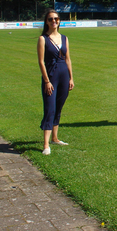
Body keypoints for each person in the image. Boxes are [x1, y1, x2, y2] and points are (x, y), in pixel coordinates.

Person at [37, 9, 74, 156]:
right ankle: (46, 144)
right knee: (50, 108)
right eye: (51, 19)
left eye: (56, 19)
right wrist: (46, 81)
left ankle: (55, 138)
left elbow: (68, 59)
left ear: (59, 21)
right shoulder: (43, 39)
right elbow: (41, 62)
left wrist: (71, 78)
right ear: (47, 22)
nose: (54, 21)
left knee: (58, 107)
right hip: (51, 76)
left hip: (64, 75)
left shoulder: (64, 38)